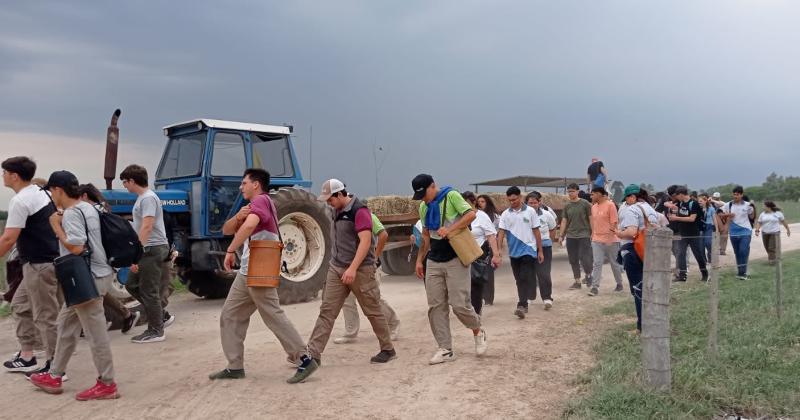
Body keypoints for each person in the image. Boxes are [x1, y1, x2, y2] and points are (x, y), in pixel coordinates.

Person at [209, 168, 318, 383]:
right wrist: (238, 216)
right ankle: (234, 367)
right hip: (247, 271)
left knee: (272, 315)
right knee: (230, 314)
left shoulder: (261, 201)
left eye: (244, 183)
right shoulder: (253, 206)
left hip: (259, 269)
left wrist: (230, 251)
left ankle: (305, 359)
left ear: (256, 184)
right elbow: (226, 229)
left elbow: (249, 226)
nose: (241, 187)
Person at [29, 171, 120, 400]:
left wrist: (56, 226)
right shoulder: (87, 207)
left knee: (95, 332)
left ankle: (107, 383)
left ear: (59, 190)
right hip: (96, 275)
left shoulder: (71, 213)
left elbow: (77, 247)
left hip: (86, 280)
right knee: (65, 326)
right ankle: (55, 375)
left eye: (51, 191)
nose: (51, 196)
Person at [294, 178, 396, 383]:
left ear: (340, 195)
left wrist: (352, 268)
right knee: (327, 311)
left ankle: (387, 348)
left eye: (330, 199)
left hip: (361, 270)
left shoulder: (360, 211)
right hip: (337, 267)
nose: (328, 203)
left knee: (372, 310)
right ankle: (313, 356)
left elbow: (366, 242)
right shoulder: (335, 210)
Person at [412, 174, 487, 365]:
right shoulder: (424, 207)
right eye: (419, 195)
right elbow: (426, 236)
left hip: (456, 257)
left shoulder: (451, 195)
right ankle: (445, 349)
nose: (423, 198)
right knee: (436, 306)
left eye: (424, 193)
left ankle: (478, 330)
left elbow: (471, 214)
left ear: (433, 186)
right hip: (434, 260)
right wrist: (420, 260)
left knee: (459, 304)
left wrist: (451, 229)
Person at [1, 157, 61, 374]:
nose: (3, 176)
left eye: (4, 172)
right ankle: (27, 355)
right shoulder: (41, 192)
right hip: (44, 261)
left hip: (39, 264)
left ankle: (55, 366)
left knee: (45, 315)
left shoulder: (20, 201)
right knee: (20, 304)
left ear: (14, 176)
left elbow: (8, 239)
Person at [77, 183, 140, 334]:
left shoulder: (92, 212)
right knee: (97, 291)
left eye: (78, 198)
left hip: (96, 258)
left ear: (85, 196)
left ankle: (99, 323)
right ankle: (125, 315)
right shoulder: (102, 209)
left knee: (90, 290)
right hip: (101, 257)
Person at [119, 164, 171, 343]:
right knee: (131, 285)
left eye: (125, 182)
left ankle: (156, 331)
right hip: (148, 248)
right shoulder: (142, 198)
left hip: (151, 249)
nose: (125, 185)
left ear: (132, 181)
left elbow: (147, 225)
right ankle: (160, 314)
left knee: (148, 291)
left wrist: (136, 252)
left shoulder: (148, 198)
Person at [334, 212, 400, 344]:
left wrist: (375, 256)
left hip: (367, 265)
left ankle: (393, 324)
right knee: (347, 299)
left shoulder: (366, 215)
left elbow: (383, 234)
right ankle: (350, 332)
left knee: (372, 298)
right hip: (349, 265)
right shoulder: (340, 217)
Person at [616, 184, 659, 332]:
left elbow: (631, 232)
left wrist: (618, 233)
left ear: (632, 197)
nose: (626, 202)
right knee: (649, 288)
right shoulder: (650, 209)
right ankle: (652, 321)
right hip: (649, 251)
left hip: (634, 250)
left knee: (638, 289)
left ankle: (642, 326)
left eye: (627, 198)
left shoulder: (632, 209)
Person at [497, 187, 544, 318]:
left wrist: (540, 250)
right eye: (510, 200)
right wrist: (498, 250)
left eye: (514, 199)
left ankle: (521, 305)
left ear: (520, 197)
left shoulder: (530, 212)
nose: (512, 202)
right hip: (514, 252)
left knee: (523, 277)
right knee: (519, 280)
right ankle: (526, 301)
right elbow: (501, 232)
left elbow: (536, 231)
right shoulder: (505, 214)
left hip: (529, 249)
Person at [461, 191, 500, 315]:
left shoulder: (482, 216)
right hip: (462, 254)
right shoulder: (458, 216)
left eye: (467, 204)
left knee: (476, 283)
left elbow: (491, 236)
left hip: (479, 254)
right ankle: (469, 309)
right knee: (464, 285)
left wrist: (496, 254)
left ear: (474, 203)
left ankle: (476, 312)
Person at [588, 187, 624, 296]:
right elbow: (594, 222)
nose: (591, 196)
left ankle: (619, 283)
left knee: (614, 263)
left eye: (593, 194)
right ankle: (595, 287)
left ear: (599, 194)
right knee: (597, 263)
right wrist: (593, 234)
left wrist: (609, 237)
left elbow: (614, 222)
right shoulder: (593, 207)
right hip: (597, 239)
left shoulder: (610, 205)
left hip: (611, 240)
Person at [668, 187, 709, 282]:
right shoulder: (680, 203)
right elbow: (675, 210)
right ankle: (682, 276)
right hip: (683, 234)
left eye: (677, 196)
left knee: (698, 255)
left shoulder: (693, 204)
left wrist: (676, 218)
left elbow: (692, 218)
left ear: (681, 194)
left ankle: (704, 273)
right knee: (680, 254)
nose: (676, 198)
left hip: (693, 234)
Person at [559, 183, 593, 289]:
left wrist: (593, 232)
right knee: (573, 259)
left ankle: (588, 276)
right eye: (568, 191)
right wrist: (561, 235)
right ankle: (577, 281)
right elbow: (564, 221)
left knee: (585, 258)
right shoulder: (567, 206)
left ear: (578, 192)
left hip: (584, 234)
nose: (570, 193)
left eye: (572, 191)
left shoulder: (585, 204)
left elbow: (591, 218)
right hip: (571, 236)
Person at [525, 193, 556, 306]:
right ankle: (530, 296)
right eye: (530, 203)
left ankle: (547, 297)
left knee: (544, 273)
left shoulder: (547, 215)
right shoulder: (523, 216)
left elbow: (552, 229)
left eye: (535, 202)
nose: (533, 205)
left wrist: (549, 242)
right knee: (529, 273)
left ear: (539, 203)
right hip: (528, 248)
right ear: (526, 203)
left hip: (544, 247)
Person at [720, 186, 755, 280]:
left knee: (743, 251)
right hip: (733, 232)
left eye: (738, 194)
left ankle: (743, 273)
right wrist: (728, 215)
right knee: (738, 253)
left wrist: (753, 208)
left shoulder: (747, 205)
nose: (735, 196)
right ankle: (740, 272)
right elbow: (719, 213)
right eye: (734, 194)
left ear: (741, 195)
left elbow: (752, 217)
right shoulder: (729, 205)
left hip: (746, 231)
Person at [476, 194, 500, 305]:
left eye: (483, 201)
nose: (480, 203)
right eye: (479, 201)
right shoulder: (475, 216)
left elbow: (498, 233)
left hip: (490, 247)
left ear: (488, 203)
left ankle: (488, 298)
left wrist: (498, 251)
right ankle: (478, 296)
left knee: (488, 273)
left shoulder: (495, 217)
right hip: (478, 247)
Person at [698, 193, 719, 264]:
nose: (699, 202)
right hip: (700, 227)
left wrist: (717, 229)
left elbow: (714, 219)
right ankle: (704, 260)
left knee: (708, 242)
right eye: (699, 201)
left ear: (705, 201)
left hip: (709, 226)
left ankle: (710, 255)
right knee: (701, 246)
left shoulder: (711, 209)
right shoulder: (698, 209)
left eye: (701, 201)